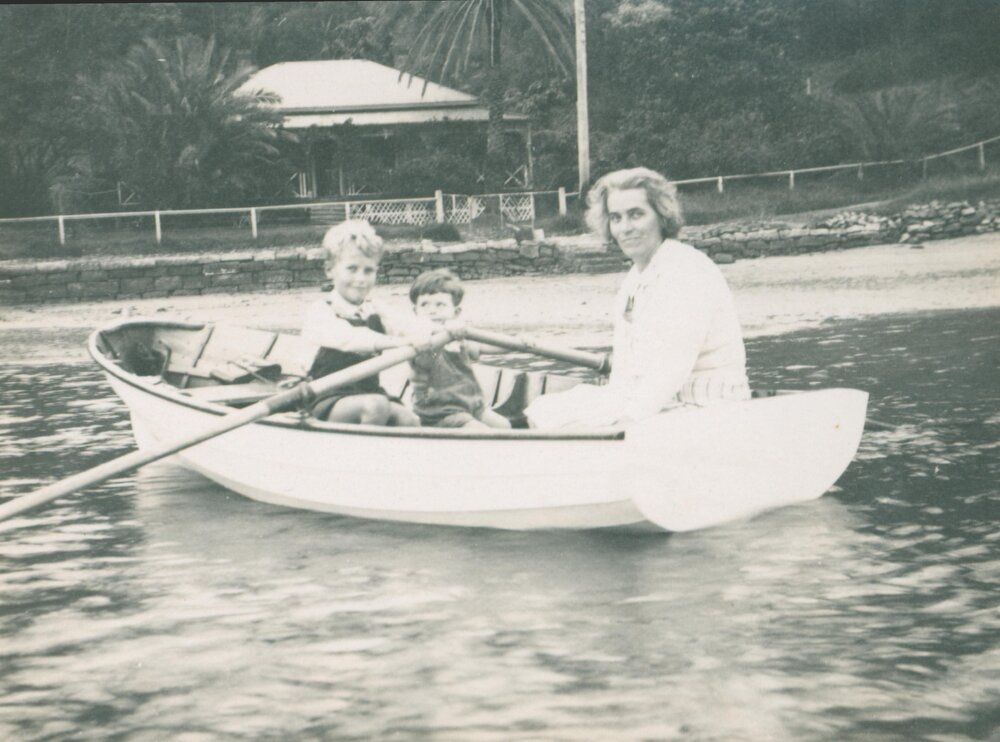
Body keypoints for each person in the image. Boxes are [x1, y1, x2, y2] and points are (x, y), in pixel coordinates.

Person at [526, 167, 751, 428]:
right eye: (616, 218)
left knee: (565, 424)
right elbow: (626, 370)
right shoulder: (636, 278)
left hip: (708, 405)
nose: (625, 228)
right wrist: (612, 403)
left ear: (661, 216)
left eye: (636, 214)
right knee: (542, 411)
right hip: (663, 399)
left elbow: (672, 368)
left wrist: (626, 419)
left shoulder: (684, 270)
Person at [301, 220, 429, 425]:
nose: (361, 279)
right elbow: (350, 338)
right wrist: (399, 342)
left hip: (370, 393)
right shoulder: (321, 311)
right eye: (352, 269)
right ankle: (363, 456)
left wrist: (445, 328)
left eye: (368, 271)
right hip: (324, 399)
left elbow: (412, 326)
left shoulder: (376, 308)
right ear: (329, 270)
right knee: (376, 406)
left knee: (408, 419)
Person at [407, 268, 512, 429]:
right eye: (424, 305)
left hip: (472, 406)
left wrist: (517, 343)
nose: (432, 311)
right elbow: (426, 358)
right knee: (480, 432)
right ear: (415, 312)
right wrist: (446, 331)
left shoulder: (458, 341)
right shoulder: (419, 340)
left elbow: (488, 346)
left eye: (440, 305)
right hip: (439, 412)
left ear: (455, 313)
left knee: (504, 426)